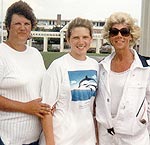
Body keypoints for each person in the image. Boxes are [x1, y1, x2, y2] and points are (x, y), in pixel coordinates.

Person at [39, 17, 99, 145]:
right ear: (68, 40)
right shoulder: (58, 66)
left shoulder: (95, 65)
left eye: (85, 37)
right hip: (61, 138)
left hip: (87, 139)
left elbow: (94, 107)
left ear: (91, 39)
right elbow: (46, 110)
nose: (81, 42)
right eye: (76, 37)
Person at [0, 1, 51, 145]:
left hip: (35, 138)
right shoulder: (1, 53)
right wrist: (25, 107)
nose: (22, 28)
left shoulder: (35, 53)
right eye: (17, 24)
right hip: (8, 138)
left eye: (27, 24)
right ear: (8, 26)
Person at [96, 12, 150, 145]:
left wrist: (141, 124)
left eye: (124, 32)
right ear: (109, 36)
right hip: (106, 138)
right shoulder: (101, 66)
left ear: (131, 36)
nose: (119, 35)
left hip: (136, 139)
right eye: (114, 32)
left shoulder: (146, 67)